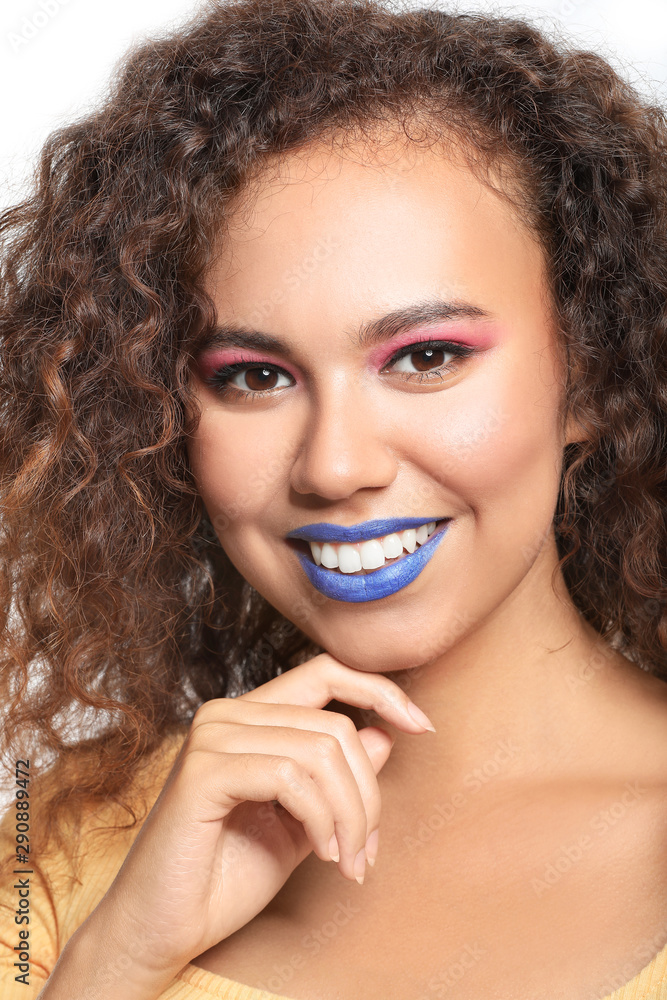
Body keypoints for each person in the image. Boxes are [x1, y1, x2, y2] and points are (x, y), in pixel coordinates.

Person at [1, 0, 666, 997]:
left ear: (592, 378)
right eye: (252, 377)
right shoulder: (54, 859)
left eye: (426, 357)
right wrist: (118, 957)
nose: (333, 465)